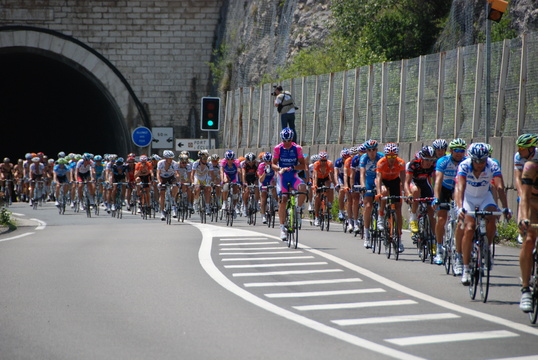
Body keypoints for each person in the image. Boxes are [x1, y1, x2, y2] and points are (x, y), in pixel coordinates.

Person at [455, 143, 511, 286]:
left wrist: (505, 208)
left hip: (485, 197)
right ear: (471, 159)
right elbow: (460, 187)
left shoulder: (492, 165)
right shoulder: (464, 165)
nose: (480, 164)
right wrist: (460, 207)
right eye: (477, 161)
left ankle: (486, 245)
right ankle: (466, 268)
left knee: (492, 216)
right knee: (469, 228)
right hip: (468, 198)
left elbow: (499, 187)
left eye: (483, 161)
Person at [432, 138, 467, 270]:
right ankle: (439, 249)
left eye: (462, 151)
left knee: (462, 218)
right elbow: (438, 181)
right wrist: (436, 198)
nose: (459, 153)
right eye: (456, 151)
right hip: (445, 189)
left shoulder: (466, 161)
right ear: (451, 151)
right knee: (441, 219)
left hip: (458, 189)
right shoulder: (443, 161)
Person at [272, 127, 307, 240]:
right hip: (282, 176)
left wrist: (292, 167)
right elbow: (272, 164)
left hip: (293, 175)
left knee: (303, 187)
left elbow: (303, 165)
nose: (286, 143)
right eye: (284, 141)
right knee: (283, 200)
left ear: (291, 139)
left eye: (288, 141)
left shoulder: (297, 148)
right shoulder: (278, 148)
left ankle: (297, 209)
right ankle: (282, 228)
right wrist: (279, 169)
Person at [375, 143, 406, 253]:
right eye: (389, 156)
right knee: (383, 192)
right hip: (383, 180)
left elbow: (403, 179)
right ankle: (381, 215)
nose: (392, 159)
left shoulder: (401, 162)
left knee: (398, 208)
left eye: (394, 156)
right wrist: (378, 193)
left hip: (394, 181)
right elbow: (378, 178)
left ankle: (399, 238)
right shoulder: (381, 162)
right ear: (386, 156)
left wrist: (406, 192)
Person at [517, 158, 538, 312]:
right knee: (529, 240)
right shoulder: (531, 167)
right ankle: (525, 289)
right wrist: (524, 218)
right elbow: (524, 196)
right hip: (532, 206)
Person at [514, 134, 538, 244]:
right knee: (522, 201)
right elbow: (518, 178)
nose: (519, 151)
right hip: (526, 184)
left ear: (531, 149)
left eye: (522, 148)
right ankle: (521, 230)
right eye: (518, 148)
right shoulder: (518, 157)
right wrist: (521, 193)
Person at [360, 140, 384, 248]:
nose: (372, 152)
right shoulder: (364, 158)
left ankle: (381, 217)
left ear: (377, 150)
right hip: (368, 181)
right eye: (369, 150)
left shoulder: (381, 157)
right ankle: (366, 235)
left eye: (374, 149)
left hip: (380, 179)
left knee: (383, 193)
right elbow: (362, 174)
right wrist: (363, 187)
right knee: (368, 207)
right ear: (366, 151)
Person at [312, 151, 336, 226]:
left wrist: (334, 183)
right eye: (321, 160)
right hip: (318, 179)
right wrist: (315, 185)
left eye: (324, 161)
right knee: (317, 197)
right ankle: (316, 217)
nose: (323, 162)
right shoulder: (316, 164)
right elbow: (315, 176)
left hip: (326, 178)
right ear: (319, 160)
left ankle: (328, 202)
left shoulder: (330, 164)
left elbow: (331, 175)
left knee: (329, 186)